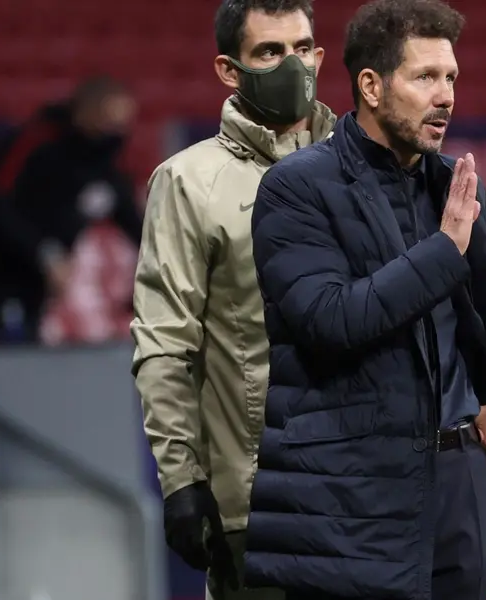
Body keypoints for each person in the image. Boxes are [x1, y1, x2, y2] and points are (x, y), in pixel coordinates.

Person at [242, 0, 486, 599]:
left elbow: (485, 321)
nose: (446, 96)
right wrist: (444, 247)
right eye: (425, 77)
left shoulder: (452, 185)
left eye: (451, 77)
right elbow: (330, 320)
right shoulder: (297, 187)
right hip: (350, 492)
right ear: (372, 86)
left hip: (458, 481)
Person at [128, 1, 335, 598]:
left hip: (366, 499)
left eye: (301, 49)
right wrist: (181, 482)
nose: (291, 66)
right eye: (269, 52)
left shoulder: (361, 168)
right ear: (229, 70)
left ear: (320, 57)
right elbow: (165, 344)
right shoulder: (188, 182)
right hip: (259, 503)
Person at [0, 76, 141, 348]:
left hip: (32, 289)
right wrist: (46, 254)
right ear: (85, 112)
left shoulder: (107, 169)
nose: (116, 132)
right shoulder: (36, 142)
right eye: (108, 120)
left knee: (21, 355)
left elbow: (138, 227)